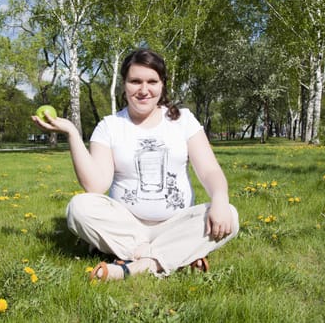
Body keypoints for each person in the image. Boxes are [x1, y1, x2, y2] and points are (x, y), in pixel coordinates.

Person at [32, 49, 239, 280]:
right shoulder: (109, 126)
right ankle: (175, 255)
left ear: (162, 85)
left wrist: (220, 199)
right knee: (79, 207)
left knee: (230, 213)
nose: (143, 90)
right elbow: (96, 185)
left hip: (175, 223)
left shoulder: (183, 120)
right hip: (127, 227)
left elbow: (209, 170)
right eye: (135, 81)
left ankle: (134, 264)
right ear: (124, 84)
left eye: (152, 81)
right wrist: (71, 132)